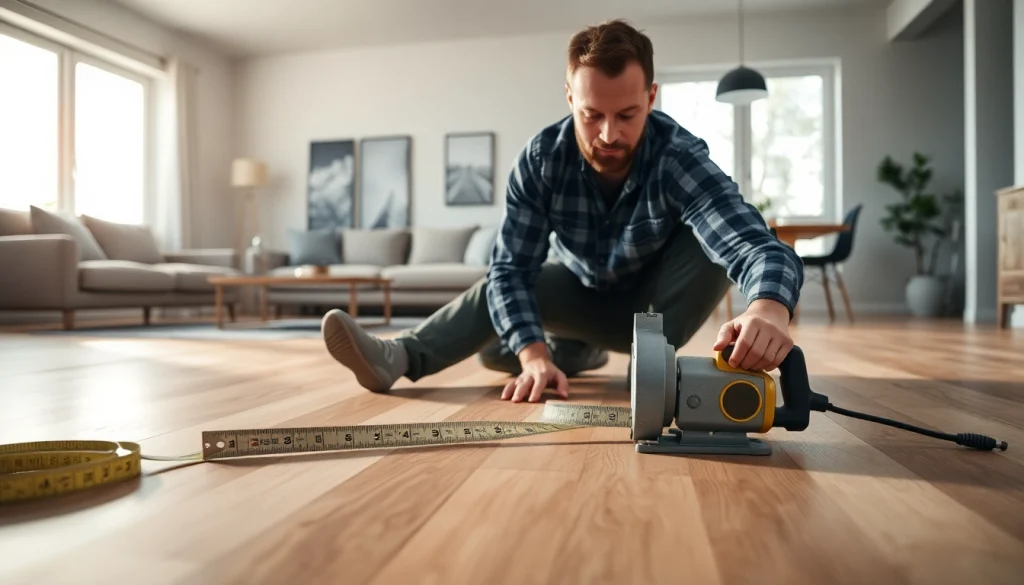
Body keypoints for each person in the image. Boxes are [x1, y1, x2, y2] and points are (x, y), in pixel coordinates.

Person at [320, 19, 804, 404]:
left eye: (627, 115)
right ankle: (401, 356)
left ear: (651, 98)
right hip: (581, 296)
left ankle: (648, 365)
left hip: (659, 307)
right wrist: (532, 357)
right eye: (592, 115)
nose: (609, 134)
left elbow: (754, 243)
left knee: (707, 248)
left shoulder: (680, 156)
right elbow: (510, 271)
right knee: (499, 346)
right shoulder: (541, 159)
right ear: (570, 97)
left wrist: (767, 307)